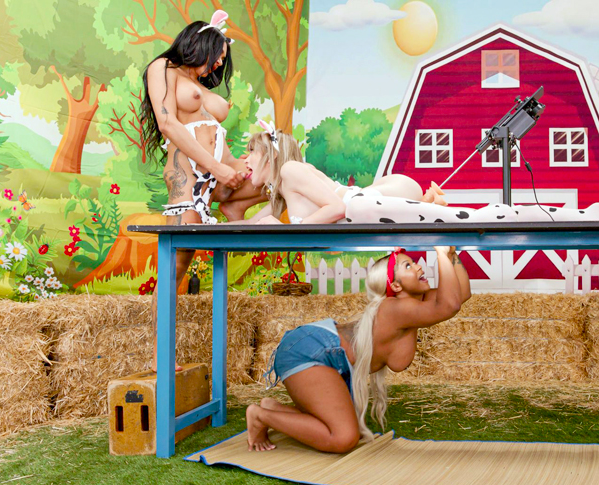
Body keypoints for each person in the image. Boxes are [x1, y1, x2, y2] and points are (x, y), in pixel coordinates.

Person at [246, 245, 470, 452]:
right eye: (408, 266)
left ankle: (273, 409)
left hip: (323, 354)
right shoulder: (395, 308)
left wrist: (452, 255)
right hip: (310, 350)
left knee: (339, 428)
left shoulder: (415, 303)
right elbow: (450, 305)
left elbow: (461, 294)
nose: (419, 266)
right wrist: (441, 254)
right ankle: (259, 416)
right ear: (395, 285)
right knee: (343, 438)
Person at [139, 9, 266, 370]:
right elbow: (167, 124)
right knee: (176, 268)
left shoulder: (199, 85)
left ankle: (234, 208)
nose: (218, 66)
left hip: (219, 175)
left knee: (280, 175)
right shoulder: (162, 68)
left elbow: (213, 133)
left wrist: (243, 164)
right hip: (189, 180)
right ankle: (160, 353)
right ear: (199, 45)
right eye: (217, 57)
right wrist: (217, 168)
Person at [233, 121, 447, 225]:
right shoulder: (282, 191)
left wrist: (286, 231)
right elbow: (252, 224)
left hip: (386, 193)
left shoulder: (290, 170)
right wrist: (212, 226)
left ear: (271, 155)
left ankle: (427, 203)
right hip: (380, 195)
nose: (246, 159)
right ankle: (427, 201)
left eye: (252, 151)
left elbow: (337, 208)